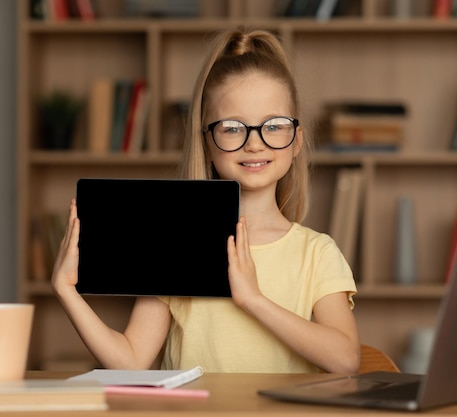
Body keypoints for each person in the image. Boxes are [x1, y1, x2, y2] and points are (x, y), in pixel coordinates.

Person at [52, 27, 360, 374]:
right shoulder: (174, 247)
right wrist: (67, 292)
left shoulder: (317, 253)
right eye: (232, 127)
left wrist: (253, 300)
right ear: (207, 143)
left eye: (273, 125)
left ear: (296, 140)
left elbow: (346, 359)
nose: (254, 144)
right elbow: (131, 360)